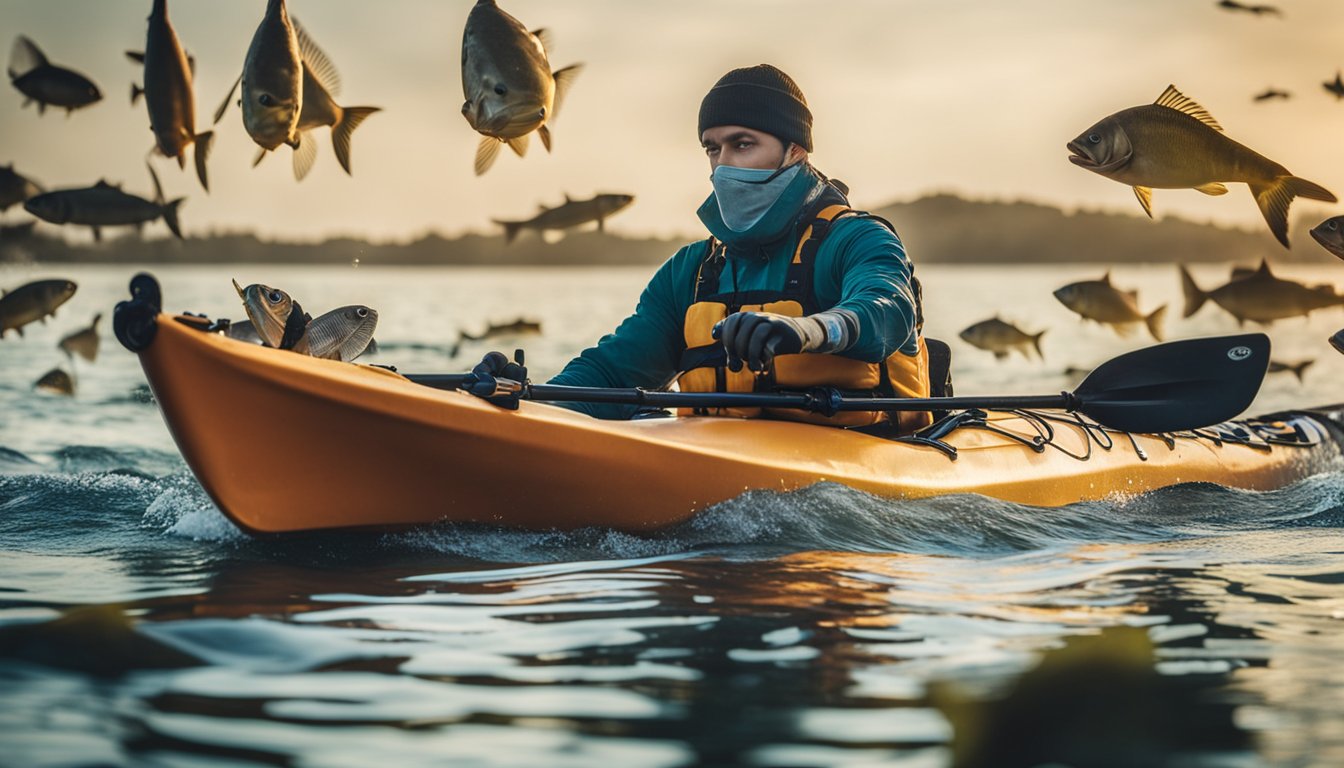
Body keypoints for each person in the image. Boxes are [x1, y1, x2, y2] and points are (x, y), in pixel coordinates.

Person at [476, 64, 931, 429]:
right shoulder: (692, 271)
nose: (723, 165)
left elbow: (886, 309)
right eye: (712, 149)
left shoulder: (858, 238)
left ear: (796, 151)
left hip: (868, 468)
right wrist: (530, 402)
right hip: (721, 471)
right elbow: (613, 374)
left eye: (743, 144)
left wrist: (807, 331)